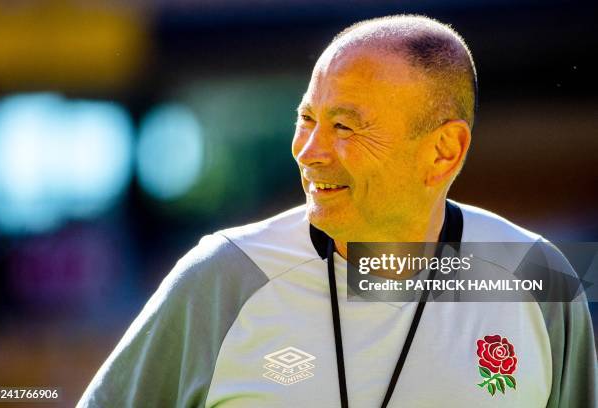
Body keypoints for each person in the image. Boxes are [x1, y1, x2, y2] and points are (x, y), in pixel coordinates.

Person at [78, 15, 597, 407]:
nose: (308, 150)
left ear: (444, 152)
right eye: (307, 118)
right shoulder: (223, 277)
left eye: (344, 127)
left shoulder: (538, 276)